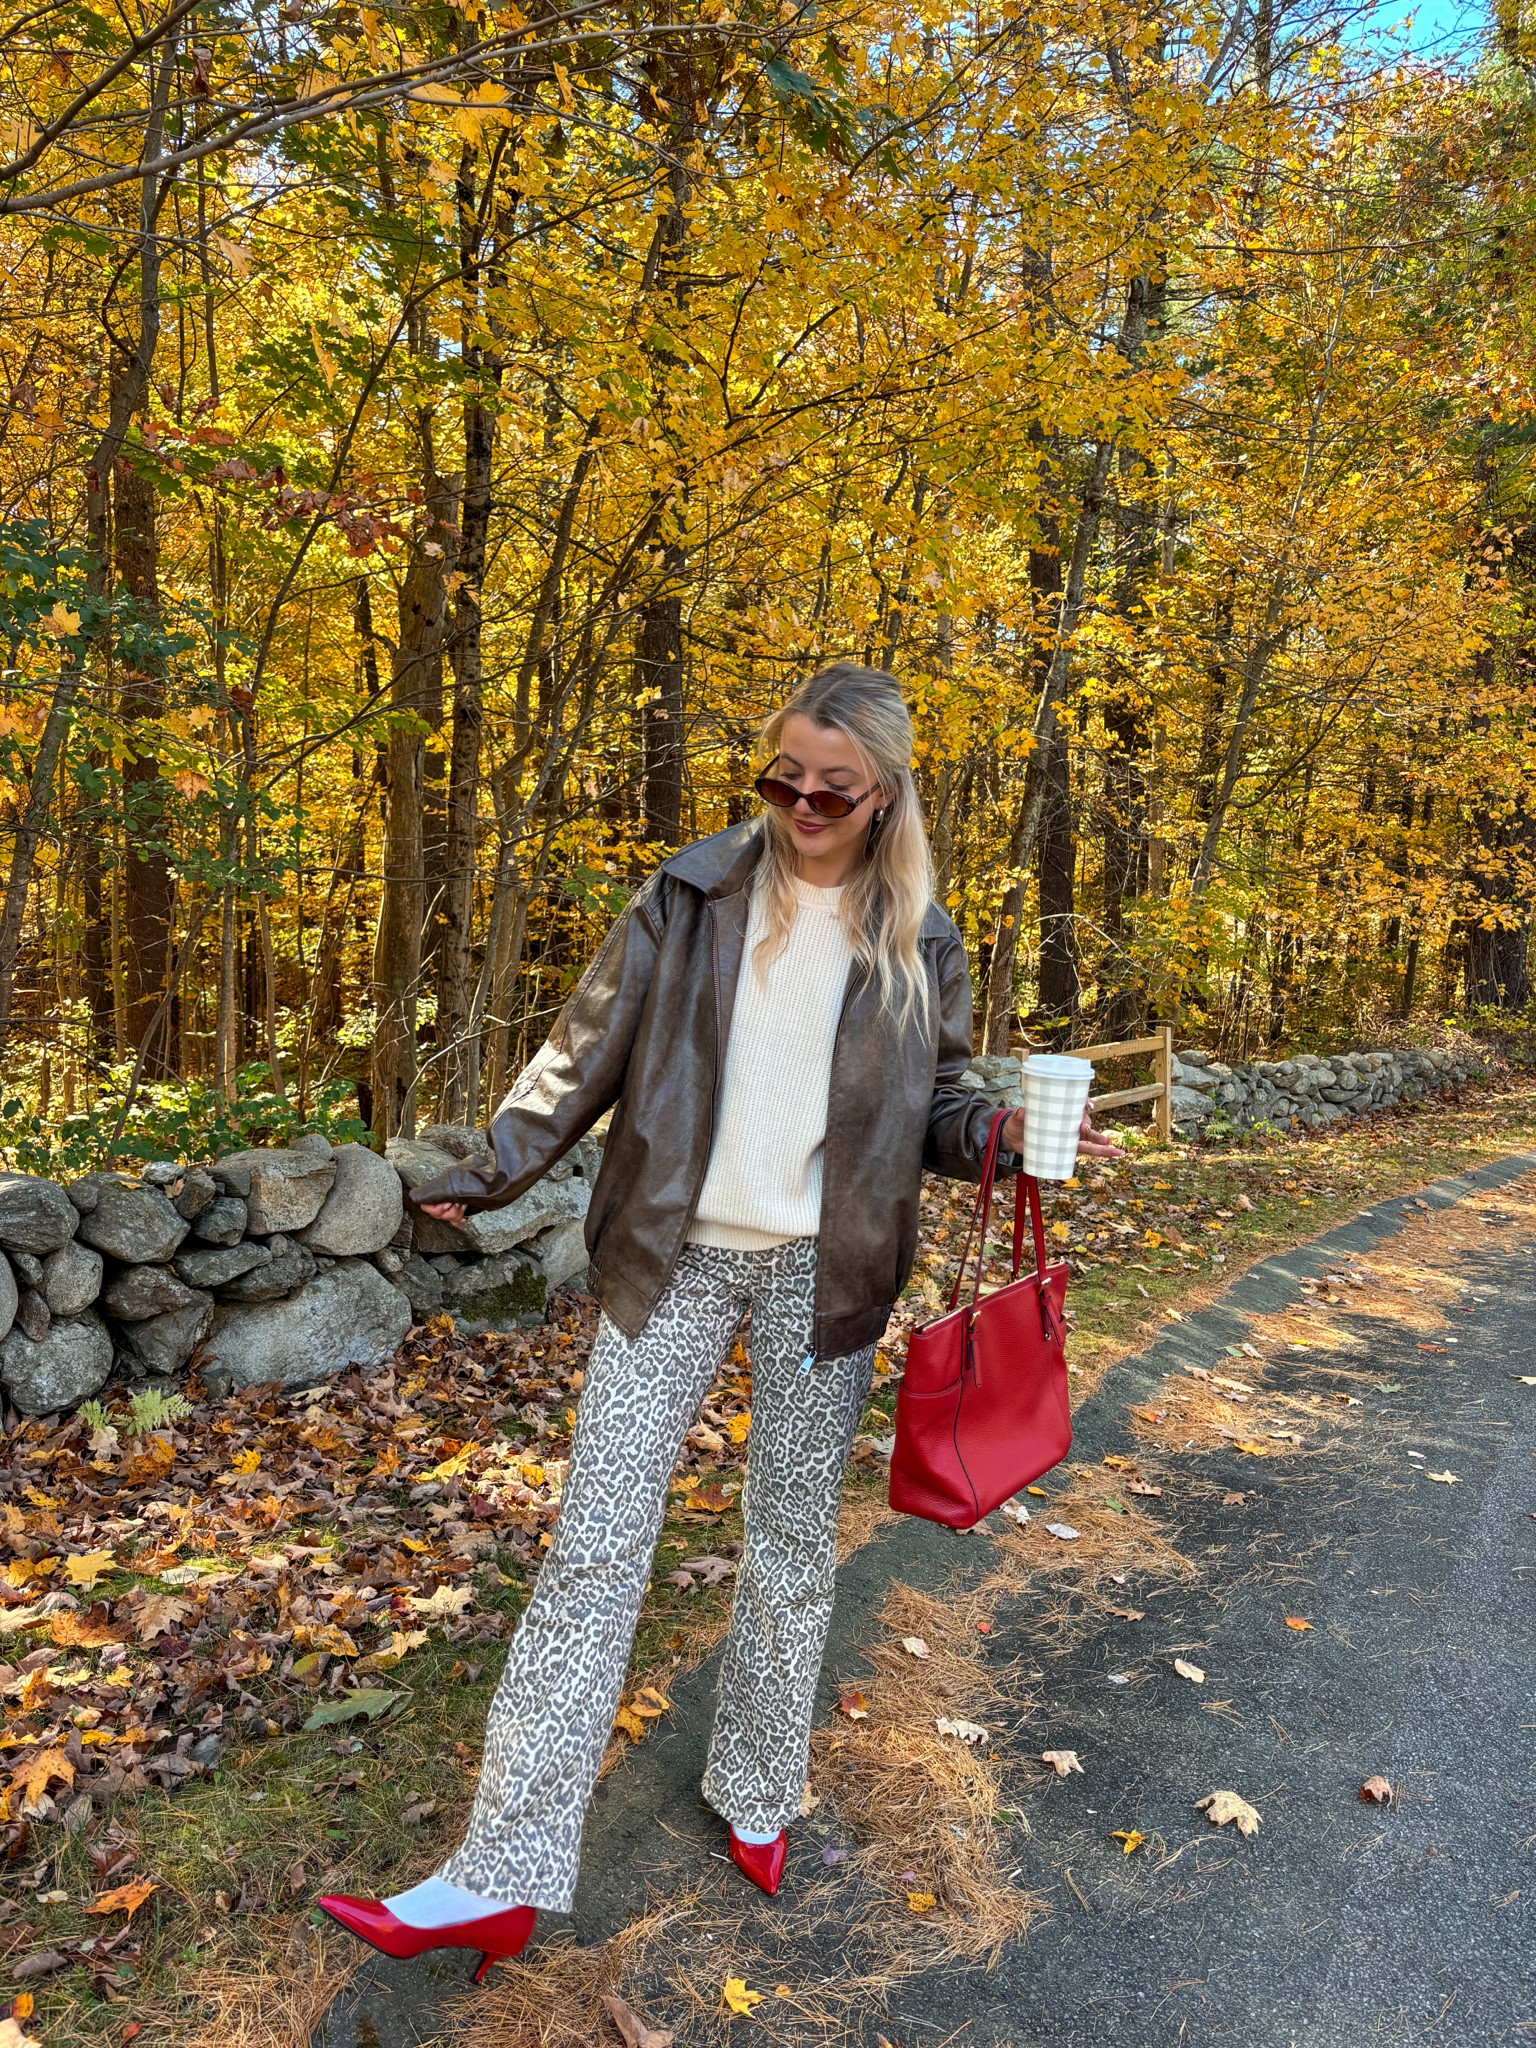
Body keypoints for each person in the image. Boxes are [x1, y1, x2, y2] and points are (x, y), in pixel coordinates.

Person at [319, 662, 1113, 1980]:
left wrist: (1014, 1136)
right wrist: (491, 1168)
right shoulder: (687, 894)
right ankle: (497, 1872)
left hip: (830, 1274)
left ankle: (755, 1788)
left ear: (885, 793)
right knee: (591, 1550)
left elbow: (943, 1106)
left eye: (832, 788)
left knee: (792, 1545)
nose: (803, 802)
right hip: (669, 1257)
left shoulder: (923, 935)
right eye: (782, 778)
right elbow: (583, 1049)